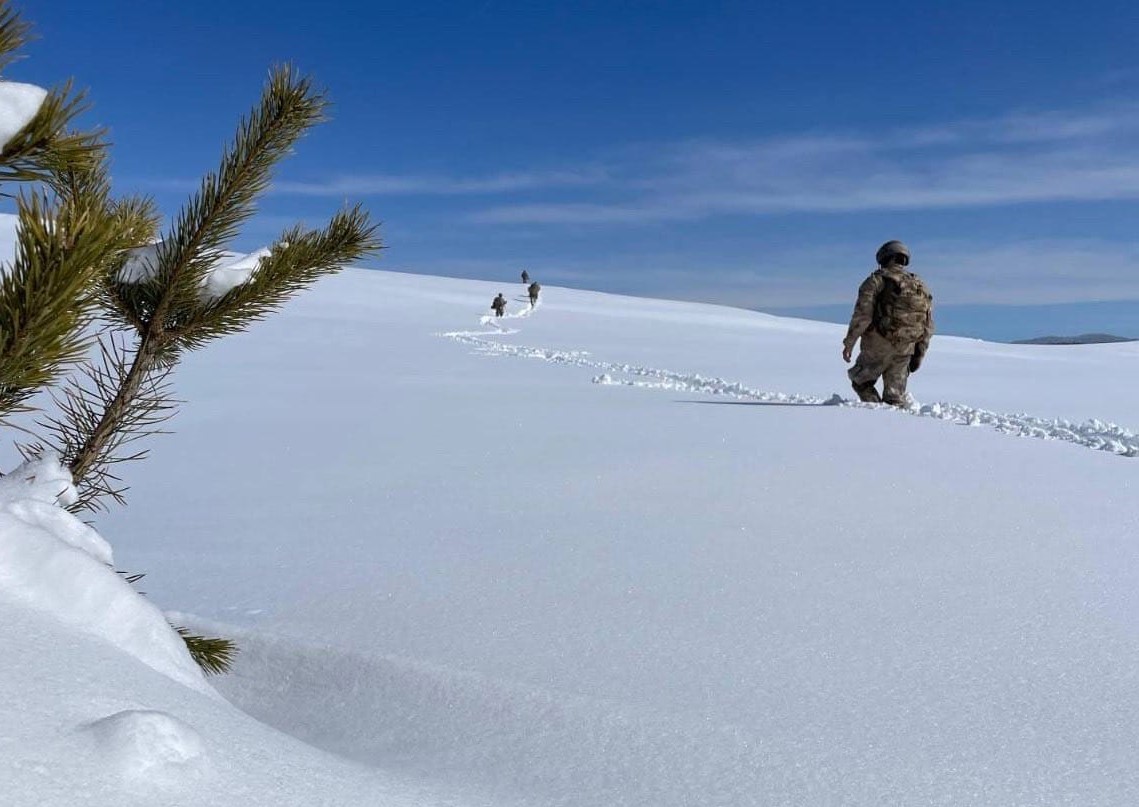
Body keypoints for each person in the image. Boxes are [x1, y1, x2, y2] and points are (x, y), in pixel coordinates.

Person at [841, 240, 934, 406]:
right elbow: (928, 324)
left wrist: (849, 343)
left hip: (878, 344)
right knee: (894, 397)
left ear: (884, 258)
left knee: (861, 381)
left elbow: (863, 315)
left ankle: (876, 416)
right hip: (907, 347)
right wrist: (919, 354)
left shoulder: (877, 280)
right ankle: (893, 426)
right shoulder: (920, 286)